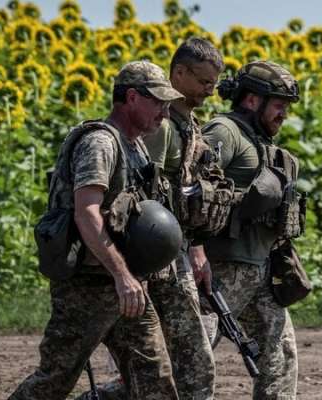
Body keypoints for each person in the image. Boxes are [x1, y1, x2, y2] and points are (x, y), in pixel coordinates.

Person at [9, 60, 183, 400]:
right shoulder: (101, 143)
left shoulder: (136, 145)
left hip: (127, 285)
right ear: (132, 97)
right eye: (158, 102)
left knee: (154, 377)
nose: (164, 112)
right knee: (54, 380)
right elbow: (86, 213)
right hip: (88, 285)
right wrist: (121, 275)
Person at [74, 37, 234, 400]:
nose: (210, 90)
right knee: (167, 363)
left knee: (185, 360)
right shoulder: (158, 127)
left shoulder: (187, 123)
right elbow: (143, 200)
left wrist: (197, 248)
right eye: (204, 82)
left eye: (213, 83)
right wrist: (136, 270)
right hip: (154, 258)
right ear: (179, 73)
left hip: (174, 252)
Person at [200, 60, 302, 400]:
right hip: (220, 272)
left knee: (281, 355)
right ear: (251, 100)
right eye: (278, 104)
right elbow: (193, 190)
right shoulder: (224, 132)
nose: (283, 113)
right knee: (189, 362)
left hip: (259, 270)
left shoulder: (259, 141)